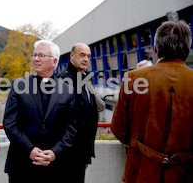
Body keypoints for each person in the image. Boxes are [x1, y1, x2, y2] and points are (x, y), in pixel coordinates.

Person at [111, 20, 193, 182]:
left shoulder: (133, 78)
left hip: (141, 172)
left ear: (156, 49)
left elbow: (119, 128)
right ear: (187, 49)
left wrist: (144, 150)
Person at [3, 40, 77, 183]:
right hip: (21, 165)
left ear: (54, 61)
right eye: (35, 55)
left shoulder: (68, 90)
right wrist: (29, 150)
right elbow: (9, 123)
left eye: (41, 55)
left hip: (55, 167)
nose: (36, 59)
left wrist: (56, 152)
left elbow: (71, 128)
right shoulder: (19, 85)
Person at [57, 43, 104, 183]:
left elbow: (97, 106)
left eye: (88, 56)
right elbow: (63, 115)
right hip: (70, 149)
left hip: (83, 147)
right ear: (72, 56)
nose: (86, 59)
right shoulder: (64, 79)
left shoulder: (85, 78)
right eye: (82, 55)